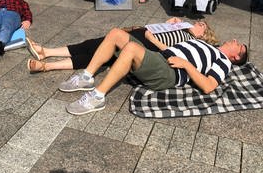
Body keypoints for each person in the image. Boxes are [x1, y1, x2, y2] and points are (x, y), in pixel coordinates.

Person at [63, 32, 248, 115]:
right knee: (116, 34)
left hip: (170, 73)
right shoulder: (208, 46)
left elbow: (208, 86)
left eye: (238, 44)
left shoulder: (223, 61)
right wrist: (154, 41)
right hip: (161, 58)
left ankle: (97, 97)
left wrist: (186, 65)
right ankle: (87, 77)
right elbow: (174, 51)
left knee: (131, 49)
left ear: (235, 56)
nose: (234, 39)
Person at [26, 17, 218, 73]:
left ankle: (47, 64)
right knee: (92, 44)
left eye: (201, 25)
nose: (197, 23)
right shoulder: (182, 28)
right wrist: (170, 23)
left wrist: (153, 40)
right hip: (138, 34)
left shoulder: (191, 41)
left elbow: (170, 53)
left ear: (205, 35)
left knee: (98, 55)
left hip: (145, 45)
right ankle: (47, 52)